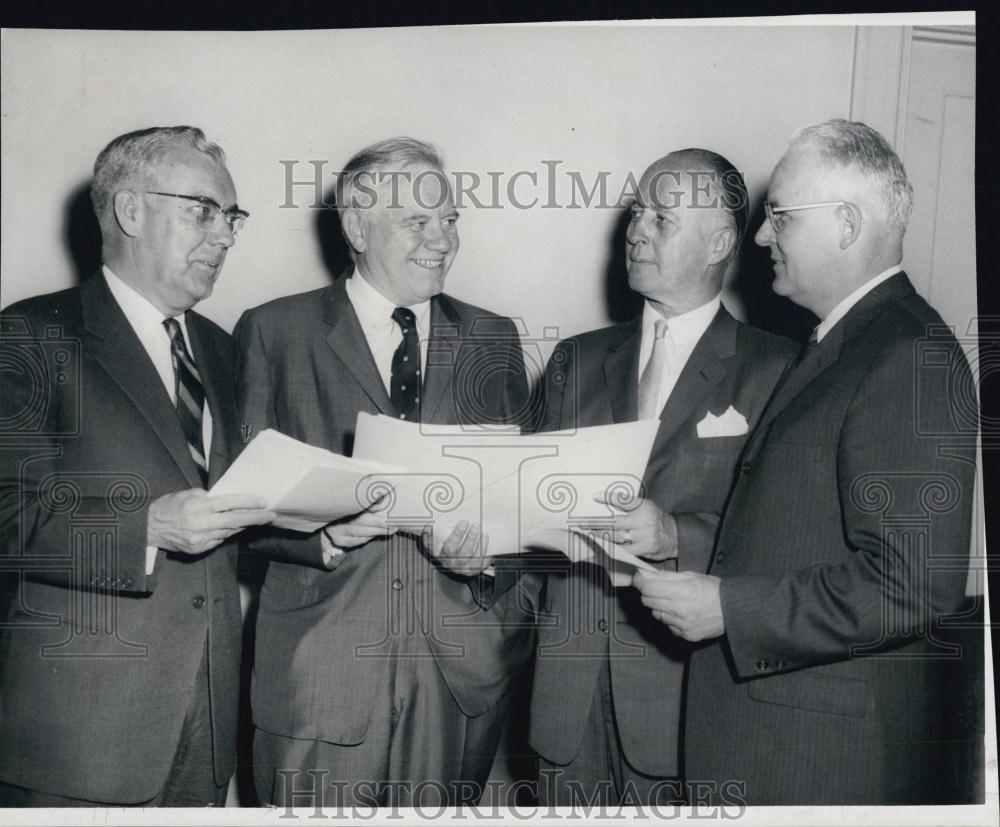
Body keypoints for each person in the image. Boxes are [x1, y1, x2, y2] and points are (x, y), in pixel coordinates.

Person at [634, 119, 979, 805]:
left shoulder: (910, 354)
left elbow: (911, 583)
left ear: (847, 224)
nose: (762, 236)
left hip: (818, 757)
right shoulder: (843, 341)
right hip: (779, 740)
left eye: (782, 217)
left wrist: (729, 607)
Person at [238, 137, 538, 808]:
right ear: (356, 227)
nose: (443, 240)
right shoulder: (273, 332)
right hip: (321, 671)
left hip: (458, 678)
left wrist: (490, 560)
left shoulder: (493, 338)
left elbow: (527, 509)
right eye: (419, 222)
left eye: (451, 219)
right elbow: (237, 509)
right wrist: (324, 535)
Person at [0, 126, 274, 806]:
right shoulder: (32, 334)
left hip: (205, 728)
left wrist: (323, 529)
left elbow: (229, 510)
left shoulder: (219, 348)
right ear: (129, 210)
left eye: (232, 217)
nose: (225, 236)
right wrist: (144, 529)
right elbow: (7, 515)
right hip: (80, 737)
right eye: (204, 210)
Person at [528, 149, 796, 805]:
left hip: (688, 702)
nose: (637, 229)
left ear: (720, 241)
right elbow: (524, 510)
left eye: (662, 216)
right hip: (565, 702)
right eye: (637, 211)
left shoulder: (780, 369)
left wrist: (675, 532)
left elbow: (786, 535)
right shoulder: (575, 359)